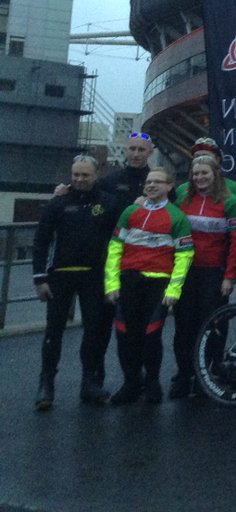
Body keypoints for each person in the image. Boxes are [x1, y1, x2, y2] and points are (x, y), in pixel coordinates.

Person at [32, 155, 122, 409]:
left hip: (95, 276)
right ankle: (46, 384)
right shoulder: (57, 203)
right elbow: (41, 241)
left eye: (85, 175)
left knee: (94, 330)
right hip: (60, 276)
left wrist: (113, 280)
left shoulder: (109, 203)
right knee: (54, 331)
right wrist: (40, 278)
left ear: (96, 176)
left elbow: (118, 243)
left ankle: (89, 383)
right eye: (76, 175)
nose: (80, 179)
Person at [104, 167, 194, 405]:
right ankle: (131, 382)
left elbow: (184, 257)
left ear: (169, 186)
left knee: (151, 335)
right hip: (128, 282)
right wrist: (111, 284)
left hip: (158, 284)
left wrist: (174, 290)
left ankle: (152, 381)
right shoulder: (130, 212)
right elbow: (115, 249)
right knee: (125, 334)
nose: (151, 185)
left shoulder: (177, 217)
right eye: (148, 182)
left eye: (157, 182)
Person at [170, 154, 236, 399]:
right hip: (186, 271)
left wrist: (230, 276)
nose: (200, 177)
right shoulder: (183, 198)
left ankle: (208, 374)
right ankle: (184, 374)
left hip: (214, 272)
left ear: (216, 175)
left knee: (212, 326)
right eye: (196, 173)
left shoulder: (230, 202)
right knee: (184, 326)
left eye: (205, 173)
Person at [97, 131, 154, 211]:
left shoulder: (158, 182)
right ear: (125, 150)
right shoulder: (110, 180)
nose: (136, 154)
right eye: (132, 149)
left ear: (150, 152)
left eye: (141, 150)